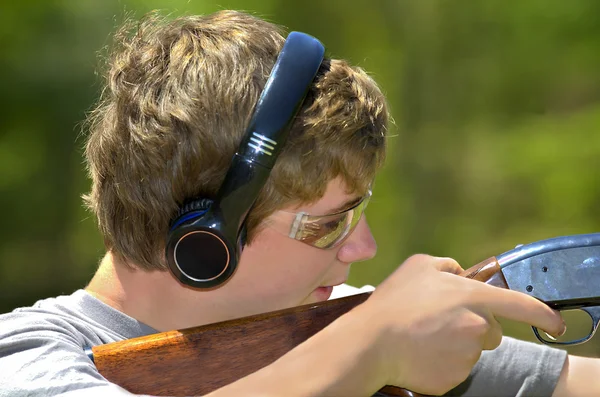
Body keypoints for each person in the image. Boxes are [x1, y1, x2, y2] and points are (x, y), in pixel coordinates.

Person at [0, 10, 598, 397]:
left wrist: (378, 338)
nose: (365, 249)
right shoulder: (28, 357)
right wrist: (374, 346)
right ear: (203, 245)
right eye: (329, 224)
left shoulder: (331, 328)